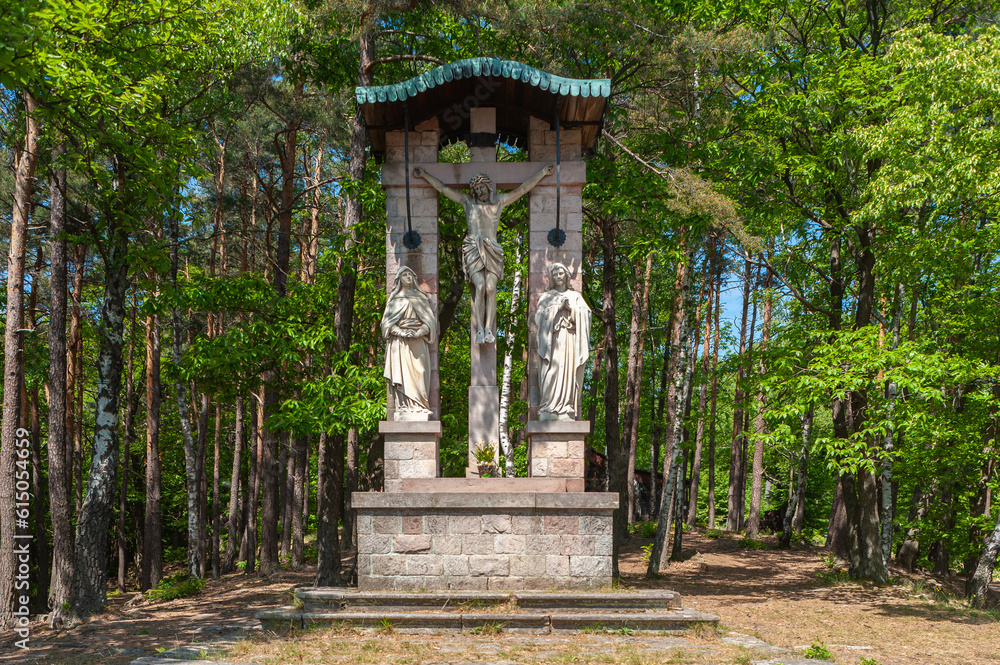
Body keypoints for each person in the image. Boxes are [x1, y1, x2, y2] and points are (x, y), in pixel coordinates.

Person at [413, 164, 553, 344]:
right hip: (473, 247)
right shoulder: (467, 202)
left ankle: (488, 329)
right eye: (476, 188)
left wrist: (542, 173)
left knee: (490, 288)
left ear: (489, 186)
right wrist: (424, 175)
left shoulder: (499, 202)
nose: (480, 191)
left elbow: (523, 189)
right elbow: (443, 188)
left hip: (492, 249)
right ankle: (479, 329)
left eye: (482, 187)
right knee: (479, 286)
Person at [534, 263, 591, 421]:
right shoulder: (546, 297)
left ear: (566, 276)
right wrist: (557, 308)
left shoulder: (576, 297)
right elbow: (539, 318)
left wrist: (573, 309)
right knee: (552, 371)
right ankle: (548, 406)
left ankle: (567, 407)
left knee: (568, 373)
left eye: (561, 273)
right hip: (553, 343)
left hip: (570, 340)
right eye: (555, 274)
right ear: (551, 277)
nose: (558, 277)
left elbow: (586, 315)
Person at [381, 266, 437, 420]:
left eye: (409, 274)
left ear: (413, 278)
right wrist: (400, 331)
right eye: (403, 274)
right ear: (399, 279)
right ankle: (404, 407)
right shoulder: (395, 300)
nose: (407, 277)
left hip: (418, 342)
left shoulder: (421, 298)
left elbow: (430, 322)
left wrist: (419, 332)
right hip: (400, 343)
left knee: (421, 372)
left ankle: (420, 406)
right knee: (402, 375)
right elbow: (386, 324)